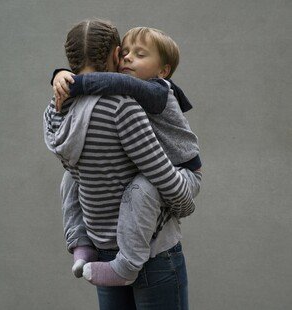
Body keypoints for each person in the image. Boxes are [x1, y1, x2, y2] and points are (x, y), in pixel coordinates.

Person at [44, 19, 198, 309]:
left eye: (139, 55)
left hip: (103, 248)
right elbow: (161, 176)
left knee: (70, 181)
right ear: (116, 54)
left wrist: (62, 77)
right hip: (152, 250)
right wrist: (185, 204)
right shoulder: (122, 106)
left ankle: (81, 245)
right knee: (141, 184)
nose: (128, 59)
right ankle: (117, 261)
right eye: (126, 53)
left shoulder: (56, 108)